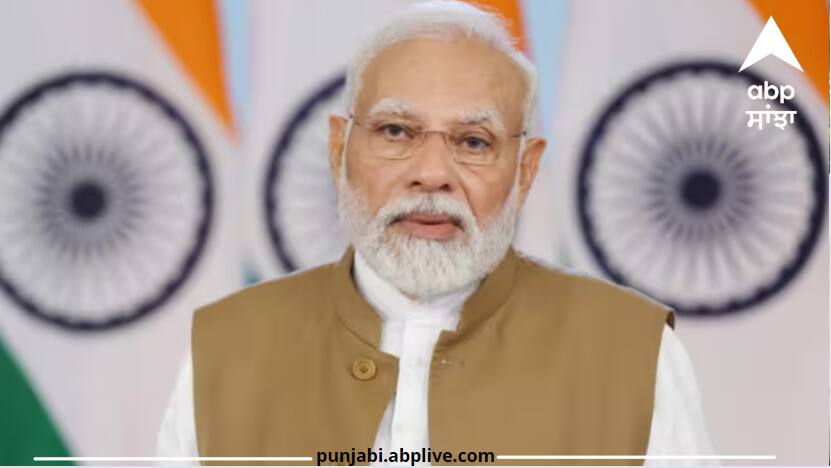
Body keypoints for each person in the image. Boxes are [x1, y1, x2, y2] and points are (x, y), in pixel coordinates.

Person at [157, 1, 714, 465]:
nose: (432, 174)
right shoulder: (226, 350)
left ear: (525, 171)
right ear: (339, 148)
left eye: (473, 142)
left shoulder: (632, 353)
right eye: (396, 132)